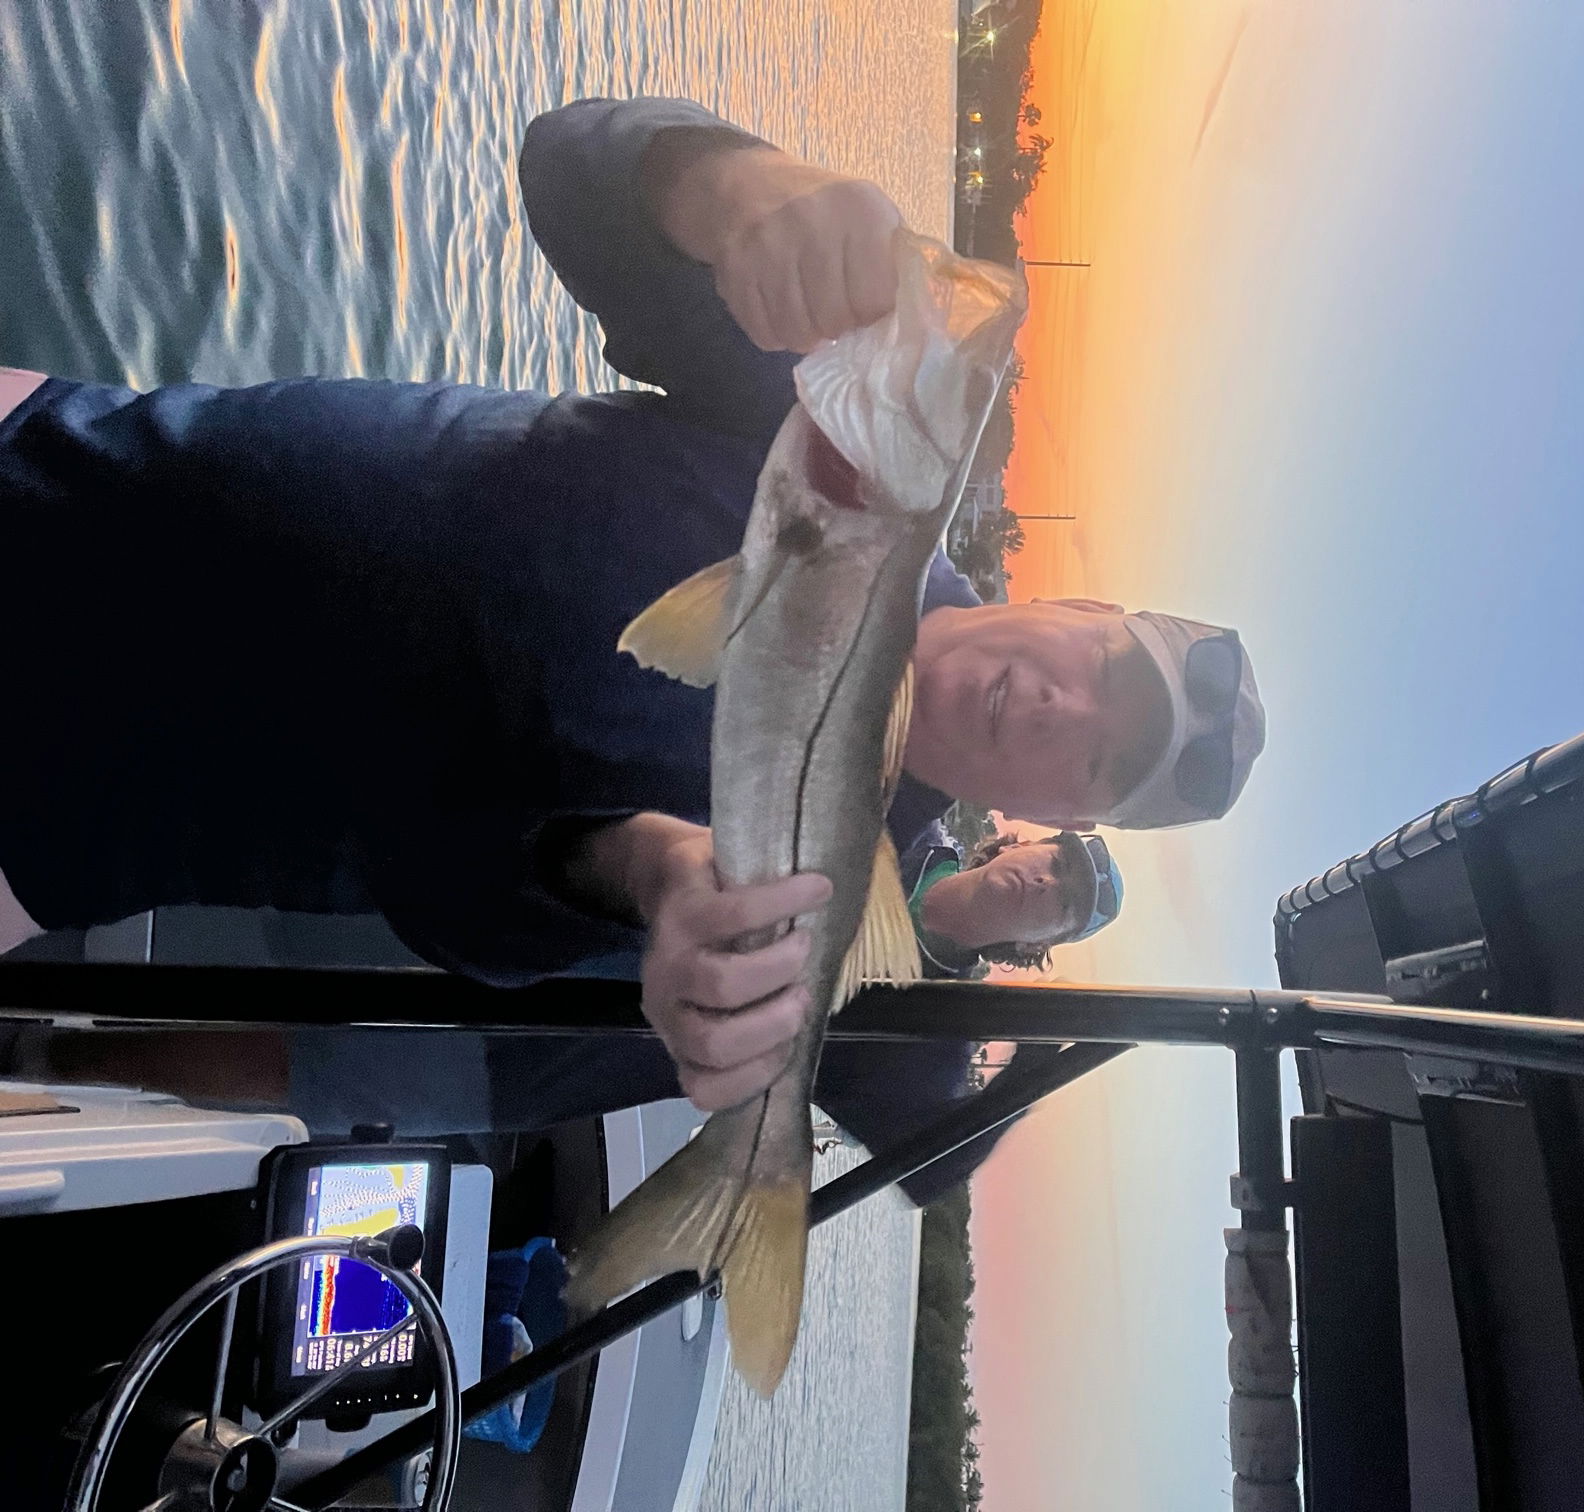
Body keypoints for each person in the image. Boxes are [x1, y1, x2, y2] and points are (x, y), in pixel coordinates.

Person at [0, 96, 1264, 1142]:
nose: (1056, 710)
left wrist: (646, 872)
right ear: (1076, 603)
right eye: (1101, 669)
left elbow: (457, 904)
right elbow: (566, 169)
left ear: (1058, 808)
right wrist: (734, 188)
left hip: (74, 829)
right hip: (74, 472)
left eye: (1095, 760)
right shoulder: (848, 450)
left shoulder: (812, 903)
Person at [903, 821, 1124, 978]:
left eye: (1064, 903)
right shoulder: (908, 817)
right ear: (1018, 846)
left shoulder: (938, 1012)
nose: (1046, 882)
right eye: (1056, 864)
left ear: (1035, 945)